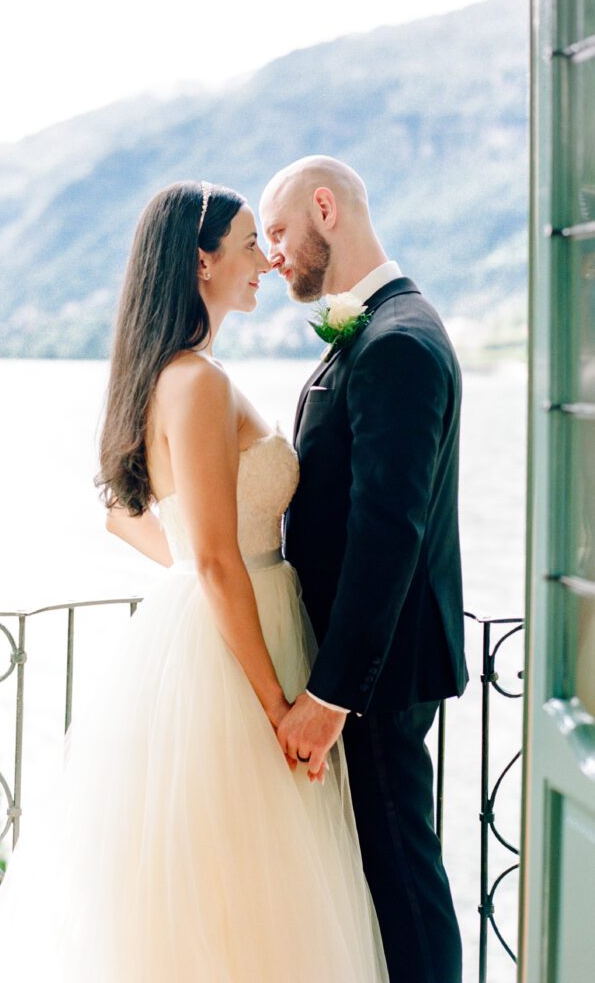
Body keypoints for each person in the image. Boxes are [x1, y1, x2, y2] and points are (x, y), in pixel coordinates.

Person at [0, 180, 387, 982]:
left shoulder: (171, 376)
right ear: (202, 259)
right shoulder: (197, 382)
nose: (266, 259)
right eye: (251, 241)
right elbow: (218, 558)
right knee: (245, 890)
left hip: (218, 626)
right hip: (234, 653)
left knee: (228, 887)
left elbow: (132, 522)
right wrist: (277, 706)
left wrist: (197, 574)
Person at [259, 155, 468, 983]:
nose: (273, 253)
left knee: (403, 882)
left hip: (374, 680)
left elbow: (389, 528)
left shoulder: (397, 342)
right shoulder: (377, 329)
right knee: (381, 874)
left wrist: (330, 695)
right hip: (365, 669)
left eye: (277, 232)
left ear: (324, 208)